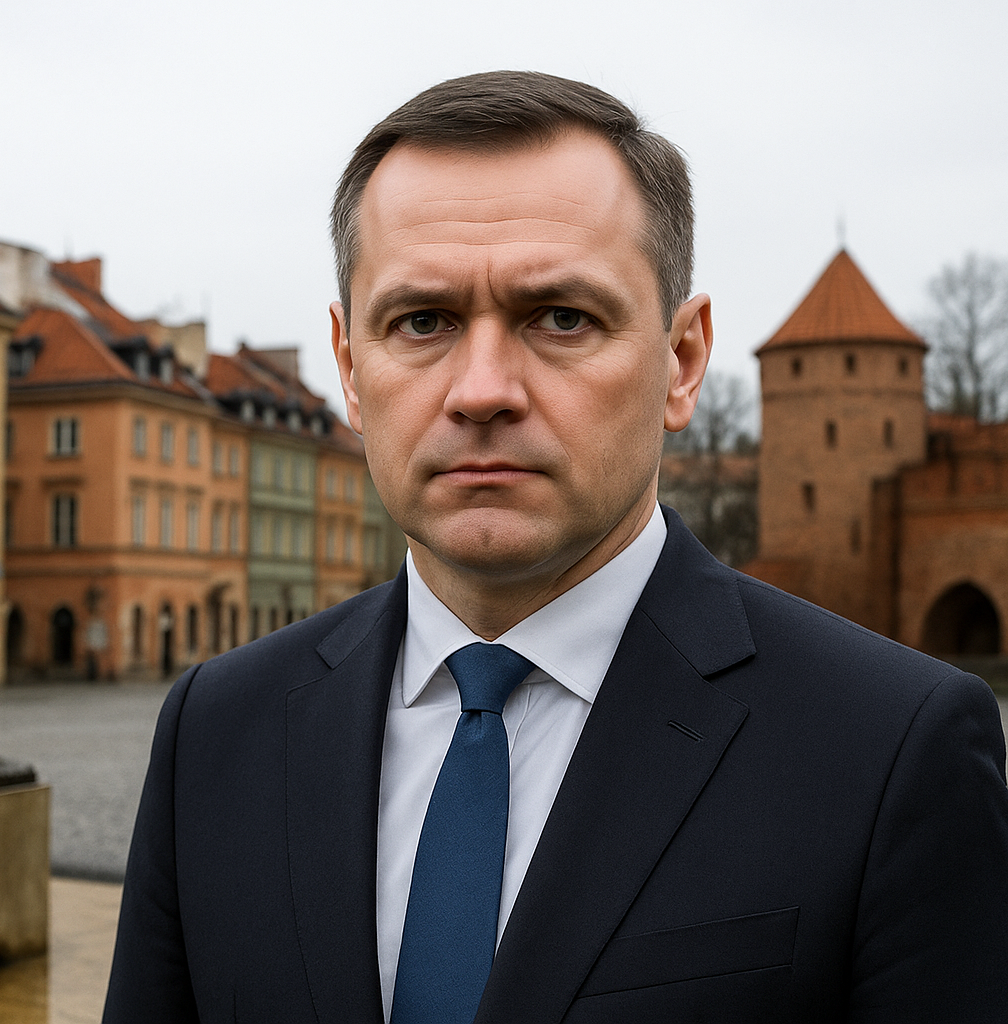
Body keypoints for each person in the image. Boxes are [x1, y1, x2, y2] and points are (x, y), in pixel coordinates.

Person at [103, 72, 1008, 1023]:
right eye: (423, 322)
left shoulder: (890, 746)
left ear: (682, 361)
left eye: (561, 317)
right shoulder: (218, 731)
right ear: (349, 370)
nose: (482, 388)